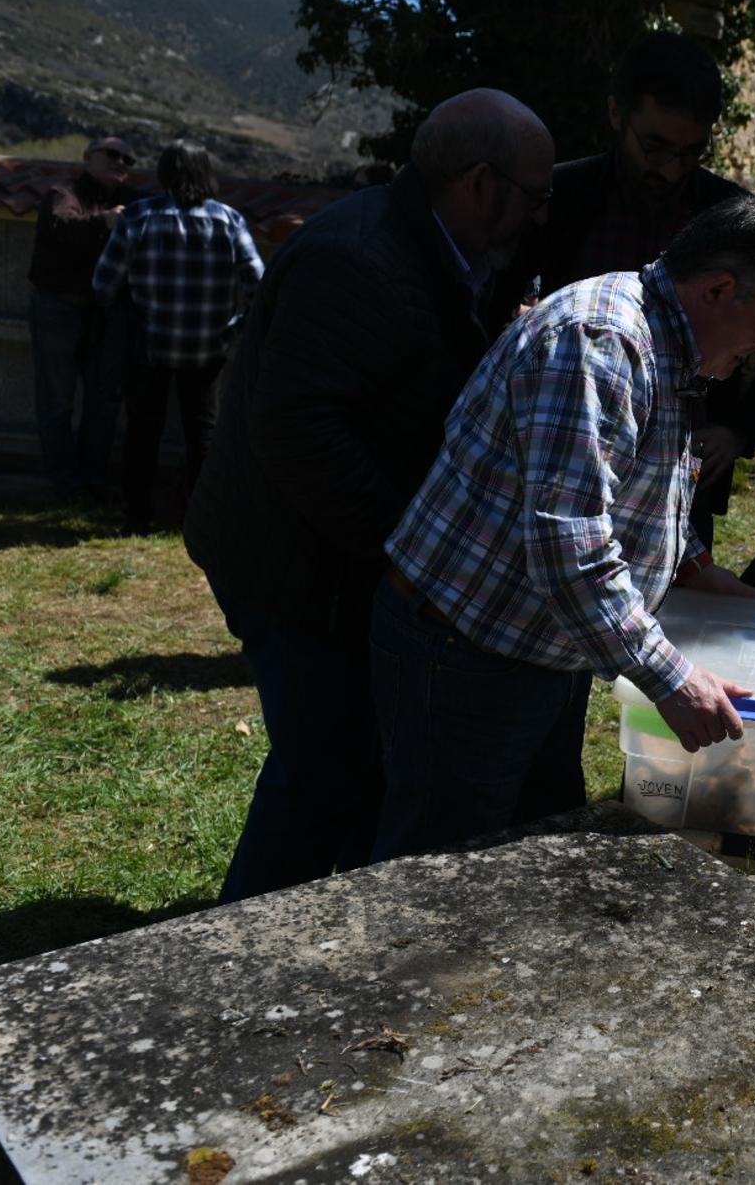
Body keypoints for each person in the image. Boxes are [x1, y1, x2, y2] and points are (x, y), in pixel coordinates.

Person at [371, 192, 755, 861]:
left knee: (529, 839)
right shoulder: (603, 341)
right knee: (441, 861)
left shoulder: (664, 347)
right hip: (467, 652)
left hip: (535, 647)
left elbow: (637, 483)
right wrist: (672, 678)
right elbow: (569, 538)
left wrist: (692, 564)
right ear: (720, 288)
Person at [184, 89, 555, 904]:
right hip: (289, 561)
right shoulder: (356, 258)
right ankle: (239, 946)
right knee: (323, 763)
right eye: (533, 193)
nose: (540, 214)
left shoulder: (458, 250)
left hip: (338, 555)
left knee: (360, 758)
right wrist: (407, 553)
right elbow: (297, 434)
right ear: (479, 182)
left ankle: (334, 918)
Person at [525, 30, 755, 550]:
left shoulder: (727, 215)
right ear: (617, 115)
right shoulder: (559, 197)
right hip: (562, 444)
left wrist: (740, 429)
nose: (670, 169)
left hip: (685, 466)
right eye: (655, 147)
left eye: (690, 153)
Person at [92, 140, 262, 534]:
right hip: (208, 346)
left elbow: (103, 285)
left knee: (142, 432)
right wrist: (233, 328)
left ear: (165, 174)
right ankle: (198, 518)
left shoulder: (137, 217)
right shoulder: (229, 221)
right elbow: (259, 286)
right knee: (202, 433)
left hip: (149, 346)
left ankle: (137, 517)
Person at [26, 135, 141, 501]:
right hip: (59, 307)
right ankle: (65, 483)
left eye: (128, 159)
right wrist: (104, 222)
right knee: (57, 399)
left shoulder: (132, 203)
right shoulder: (65, 193)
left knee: (104, 400)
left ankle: (92, 479)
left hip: (106, 311)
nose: (121, 162)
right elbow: (60, 226)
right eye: (112, 154)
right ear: (88, 156)